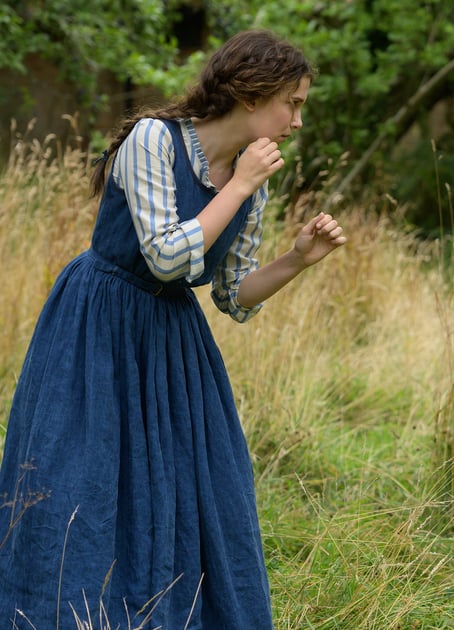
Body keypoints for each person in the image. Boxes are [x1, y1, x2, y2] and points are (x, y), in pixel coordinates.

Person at [0, 29, 346, 628]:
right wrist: (237, 186)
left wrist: (295, 261)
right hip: (98, 325)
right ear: (249, 93)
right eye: (291, 103)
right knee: (83, 477)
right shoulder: (152, 141)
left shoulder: (248, 179)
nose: (295, 121)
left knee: (197, 487)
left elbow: (232, 294)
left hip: (171, 340)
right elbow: (165, 256)